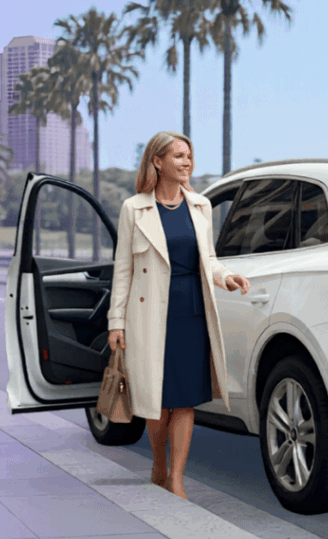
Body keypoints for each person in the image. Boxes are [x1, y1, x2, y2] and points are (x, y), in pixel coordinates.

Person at [106, 131, 250, 499]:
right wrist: (116, 323)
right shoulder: (133, 208)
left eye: (189, 156)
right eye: (179, 156)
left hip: (192, 312)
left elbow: (210, 260)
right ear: (157, 161)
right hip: (149, 316)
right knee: (157, 399)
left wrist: (226, 277)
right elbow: (121, 270)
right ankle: (158, 460)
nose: (187, 163)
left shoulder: (201, 206)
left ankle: (176, 478)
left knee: (185, 399)